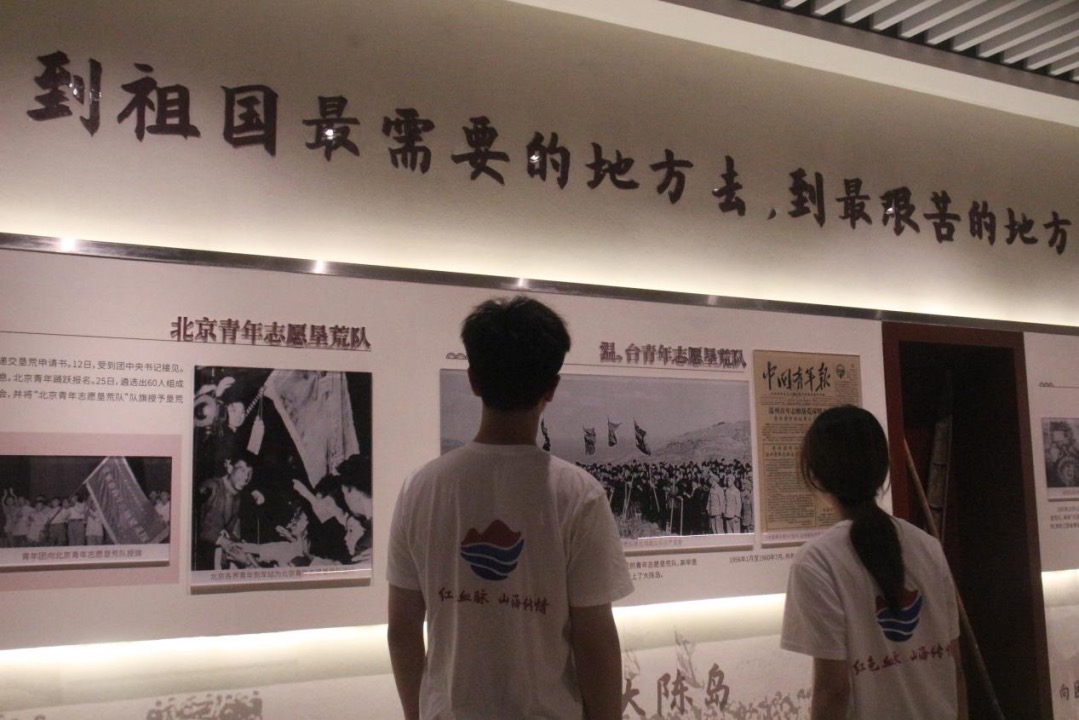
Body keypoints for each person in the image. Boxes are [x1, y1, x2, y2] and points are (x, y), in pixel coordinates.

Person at [387, 296, 634, 720]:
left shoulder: (421, 488)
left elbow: (403, 629)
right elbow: (594, 638)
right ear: (551, 388)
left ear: (474, 380)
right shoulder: (579, 495)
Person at [780, 405, 967, 720]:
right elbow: (955, 668)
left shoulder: (817, 561)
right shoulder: (928, 547)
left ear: (815, 475)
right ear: (882, 469)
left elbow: (833, 691)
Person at [194, 451, 255, 570]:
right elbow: (195, 526)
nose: (246, 478)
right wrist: (223, 541)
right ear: (230, 468)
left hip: (220, 559)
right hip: (199, 559)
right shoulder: (212, 486)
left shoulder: (239, 496)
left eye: (250, 473)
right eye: (242, 470)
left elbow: (233, 533)